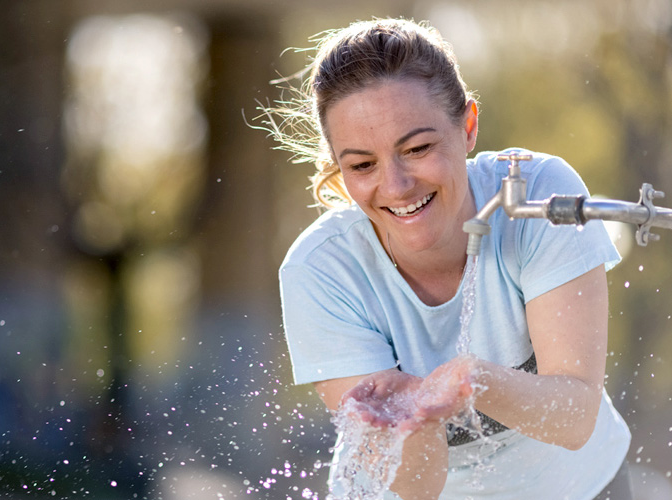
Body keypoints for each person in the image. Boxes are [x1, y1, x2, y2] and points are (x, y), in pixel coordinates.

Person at [270, 18, 632, 500]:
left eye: (418, 148)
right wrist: (415, 418)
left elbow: (574, 417)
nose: (396, 186)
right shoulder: (321, 272)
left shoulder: (537, 194)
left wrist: (472, 381)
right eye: (362, 165)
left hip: (585, 487)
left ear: (468, 126)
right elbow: (415, 488)